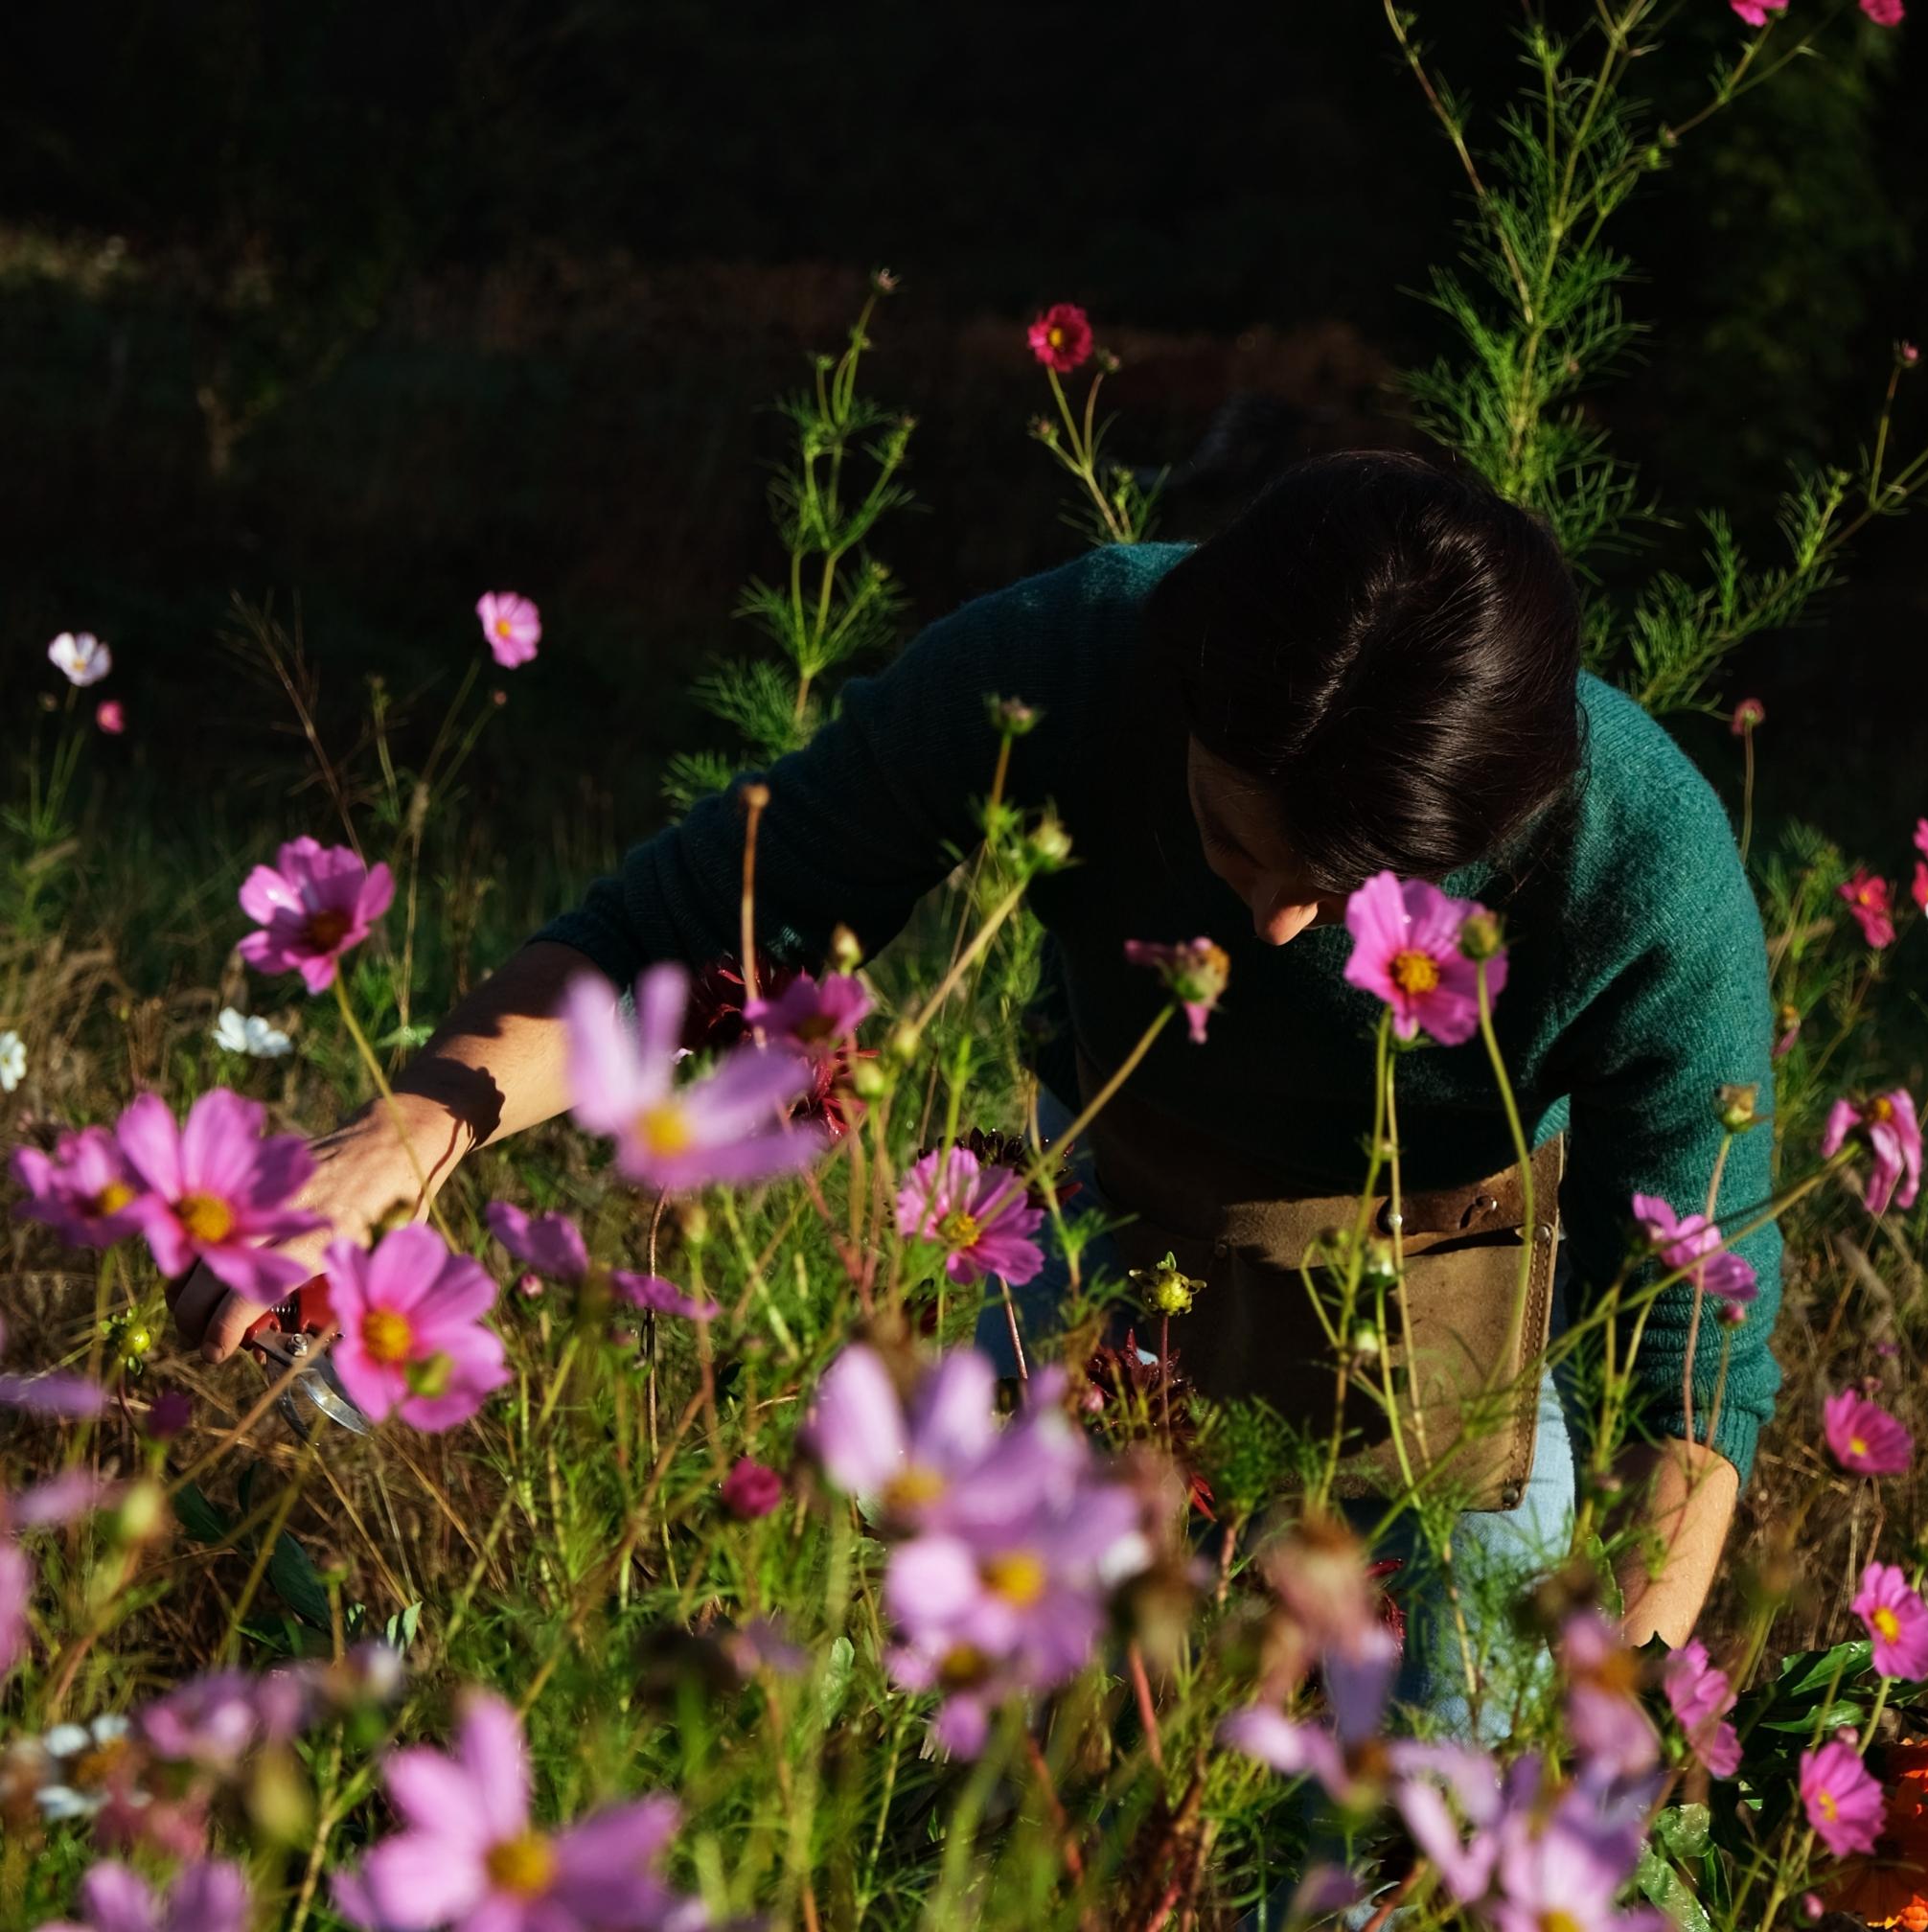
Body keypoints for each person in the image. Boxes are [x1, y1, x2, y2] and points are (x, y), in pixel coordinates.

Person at [172, 448, 1782, 1699]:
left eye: (1350, 890)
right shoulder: (1082, 657)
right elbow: (693, 927)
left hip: (1452, 1353)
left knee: (1435, 1796)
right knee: (948, 1733)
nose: (1276, 922)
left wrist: (1607, 1708)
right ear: (1181, 692)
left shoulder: (1643, 863)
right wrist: (409, 1131)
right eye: (1232, 840)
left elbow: (1700, 1373)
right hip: (1109, 1244)